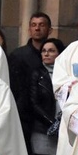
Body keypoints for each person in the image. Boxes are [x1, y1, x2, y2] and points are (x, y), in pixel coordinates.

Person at [8, 12, 53, 147]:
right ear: (29, 29)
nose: (37, 28)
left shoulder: (58, 54)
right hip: (24, 117)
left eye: (41, 25)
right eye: (34, 25)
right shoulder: (18, 55)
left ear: (49, 30)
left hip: (47, 115)